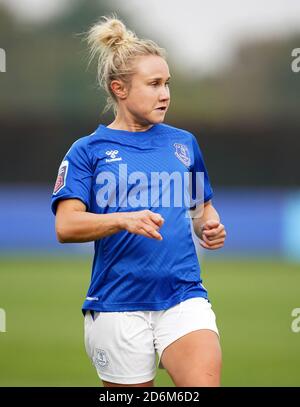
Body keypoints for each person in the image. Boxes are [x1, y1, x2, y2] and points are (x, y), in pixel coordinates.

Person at [51, 15, 226, 388]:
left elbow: (201, 206)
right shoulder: (87, 151)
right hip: (116, 304)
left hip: (184, 296)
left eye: (167, 84)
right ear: (120, 89)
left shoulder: (184, 144)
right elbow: (66, 227)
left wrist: (207, 225)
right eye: (154, 84)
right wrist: (122, 219)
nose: (165, 94)